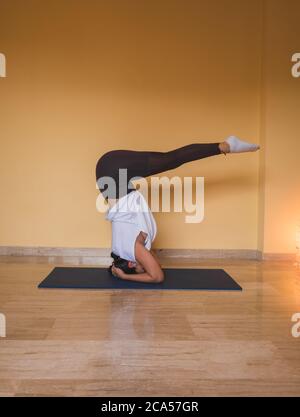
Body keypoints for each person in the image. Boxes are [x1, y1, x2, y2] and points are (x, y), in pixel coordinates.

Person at [96, 135, 260, 283]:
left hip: (113, 173)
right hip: (108, 171)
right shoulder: (124, 249)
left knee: (171, 159)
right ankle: (225, 146)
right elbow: (156, 265)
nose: (146, 266)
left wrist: (125, 277)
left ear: (131, 263)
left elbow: (157, 276)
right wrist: (123, 270)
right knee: (169, 159)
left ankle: (225, 146)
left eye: (141, 268)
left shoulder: (134, 249)